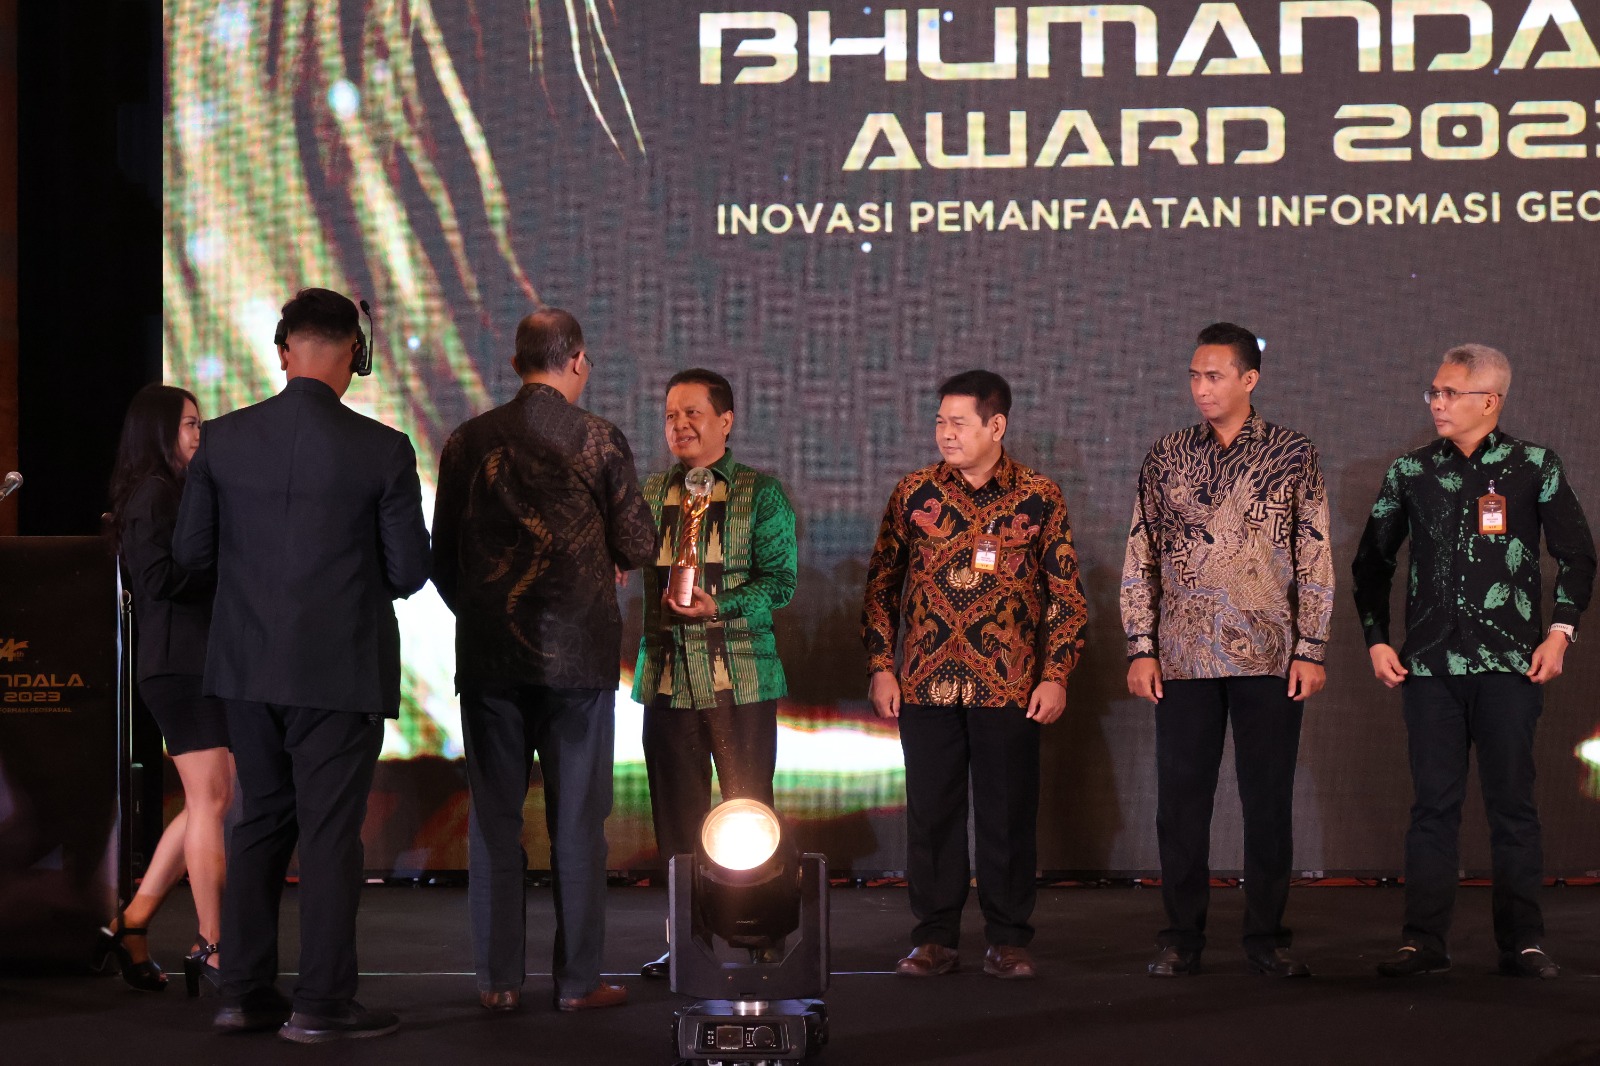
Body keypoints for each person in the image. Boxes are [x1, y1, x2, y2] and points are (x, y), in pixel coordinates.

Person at [173, 287, 431, 1042]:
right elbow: (409, 571)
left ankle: (242, 994)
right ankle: (321, 1004)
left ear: (284, 353)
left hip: (246, 667)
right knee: (328, 837)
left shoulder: (222, 440)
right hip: (339, 671)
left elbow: (191, 555)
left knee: (258, 824)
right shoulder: (383, 448)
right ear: (355, 353)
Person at [432, 308, 655, 1014]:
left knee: (494, 825)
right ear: (578, 361)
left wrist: (483, 614)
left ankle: (498, 983)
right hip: (578, 664)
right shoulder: (597, 438)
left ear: (515, 363)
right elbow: (640, 543)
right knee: (578, 827)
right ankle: (578, 984)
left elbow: (441, 557)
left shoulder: (469, 440)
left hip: (490, 659)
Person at [1352, 343, 1595, 980]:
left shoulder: (1533, 466)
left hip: (1512, 666)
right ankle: (1422, 941)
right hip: (1429, 669)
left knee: (1513, 806)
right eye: (1433, 392)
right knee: (1433, 808)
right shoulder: (1410, 471)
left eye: (1450, 393)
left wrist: (1560, 634)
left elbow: (1577, 555)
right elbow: (1371, 561)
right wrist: (1377, 638)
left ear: (1489, 401)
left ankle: (1523, 943)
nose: (1437, 403)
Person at [1121, 321, 1332, 979]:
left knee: (1267, 801)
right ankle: (1181, 937)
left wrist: (1312, 646)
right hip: (1183, 657)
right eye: (1194, 376)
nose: (1202, 388)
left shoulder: (1292, 453)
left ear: (1250, 379)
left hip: (1269, 654)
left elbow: (1314, 552)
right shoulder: (1166, 455)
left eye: (1214, 376)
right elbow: (1141, 553)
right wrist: (1140, 645)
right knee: (1181, 804)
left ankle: (1268, 937)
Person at [862, 370, 1086, 981]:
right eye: (940, 422)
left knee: (1007, 815)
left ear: (996, 425)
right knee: (931, 814)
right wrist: (882, 666)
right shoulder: (914, 493)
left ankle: (1008, 939)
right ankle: (934, 937)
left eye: (959, 423)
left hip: (1009, 685)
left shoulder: (1038, 496)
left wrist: (1056, 674)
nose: (946, 433)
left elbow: (1066, 596)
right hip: (925, 681)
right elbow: (880, 588)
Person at [632, 368, 797, 979]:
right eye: (670, 415)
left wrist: (719, 605)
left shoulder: (761, 494)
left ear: (726, 421)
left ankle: (760, 935)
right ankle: (687, 944)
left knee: (751, 815)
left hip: (742, 680)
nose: (679, 425)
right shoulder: (650, 493)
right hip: (668, 680)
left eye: (692, 414)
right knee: (675, 824)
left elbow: (781, 584)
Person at [101, 384, 234, 996]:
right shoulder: (154, 494)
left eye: (200, 422)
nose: (199, 433)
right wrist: (224, 563)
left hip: (195, 662)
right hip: (179, 666)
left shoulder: (172, 491)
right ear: (158, 431)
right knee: (211, 801)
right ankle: (213, 944)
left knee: (209, 800)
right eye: (189, 424)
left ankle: (132, 922)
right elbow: (158, 580)